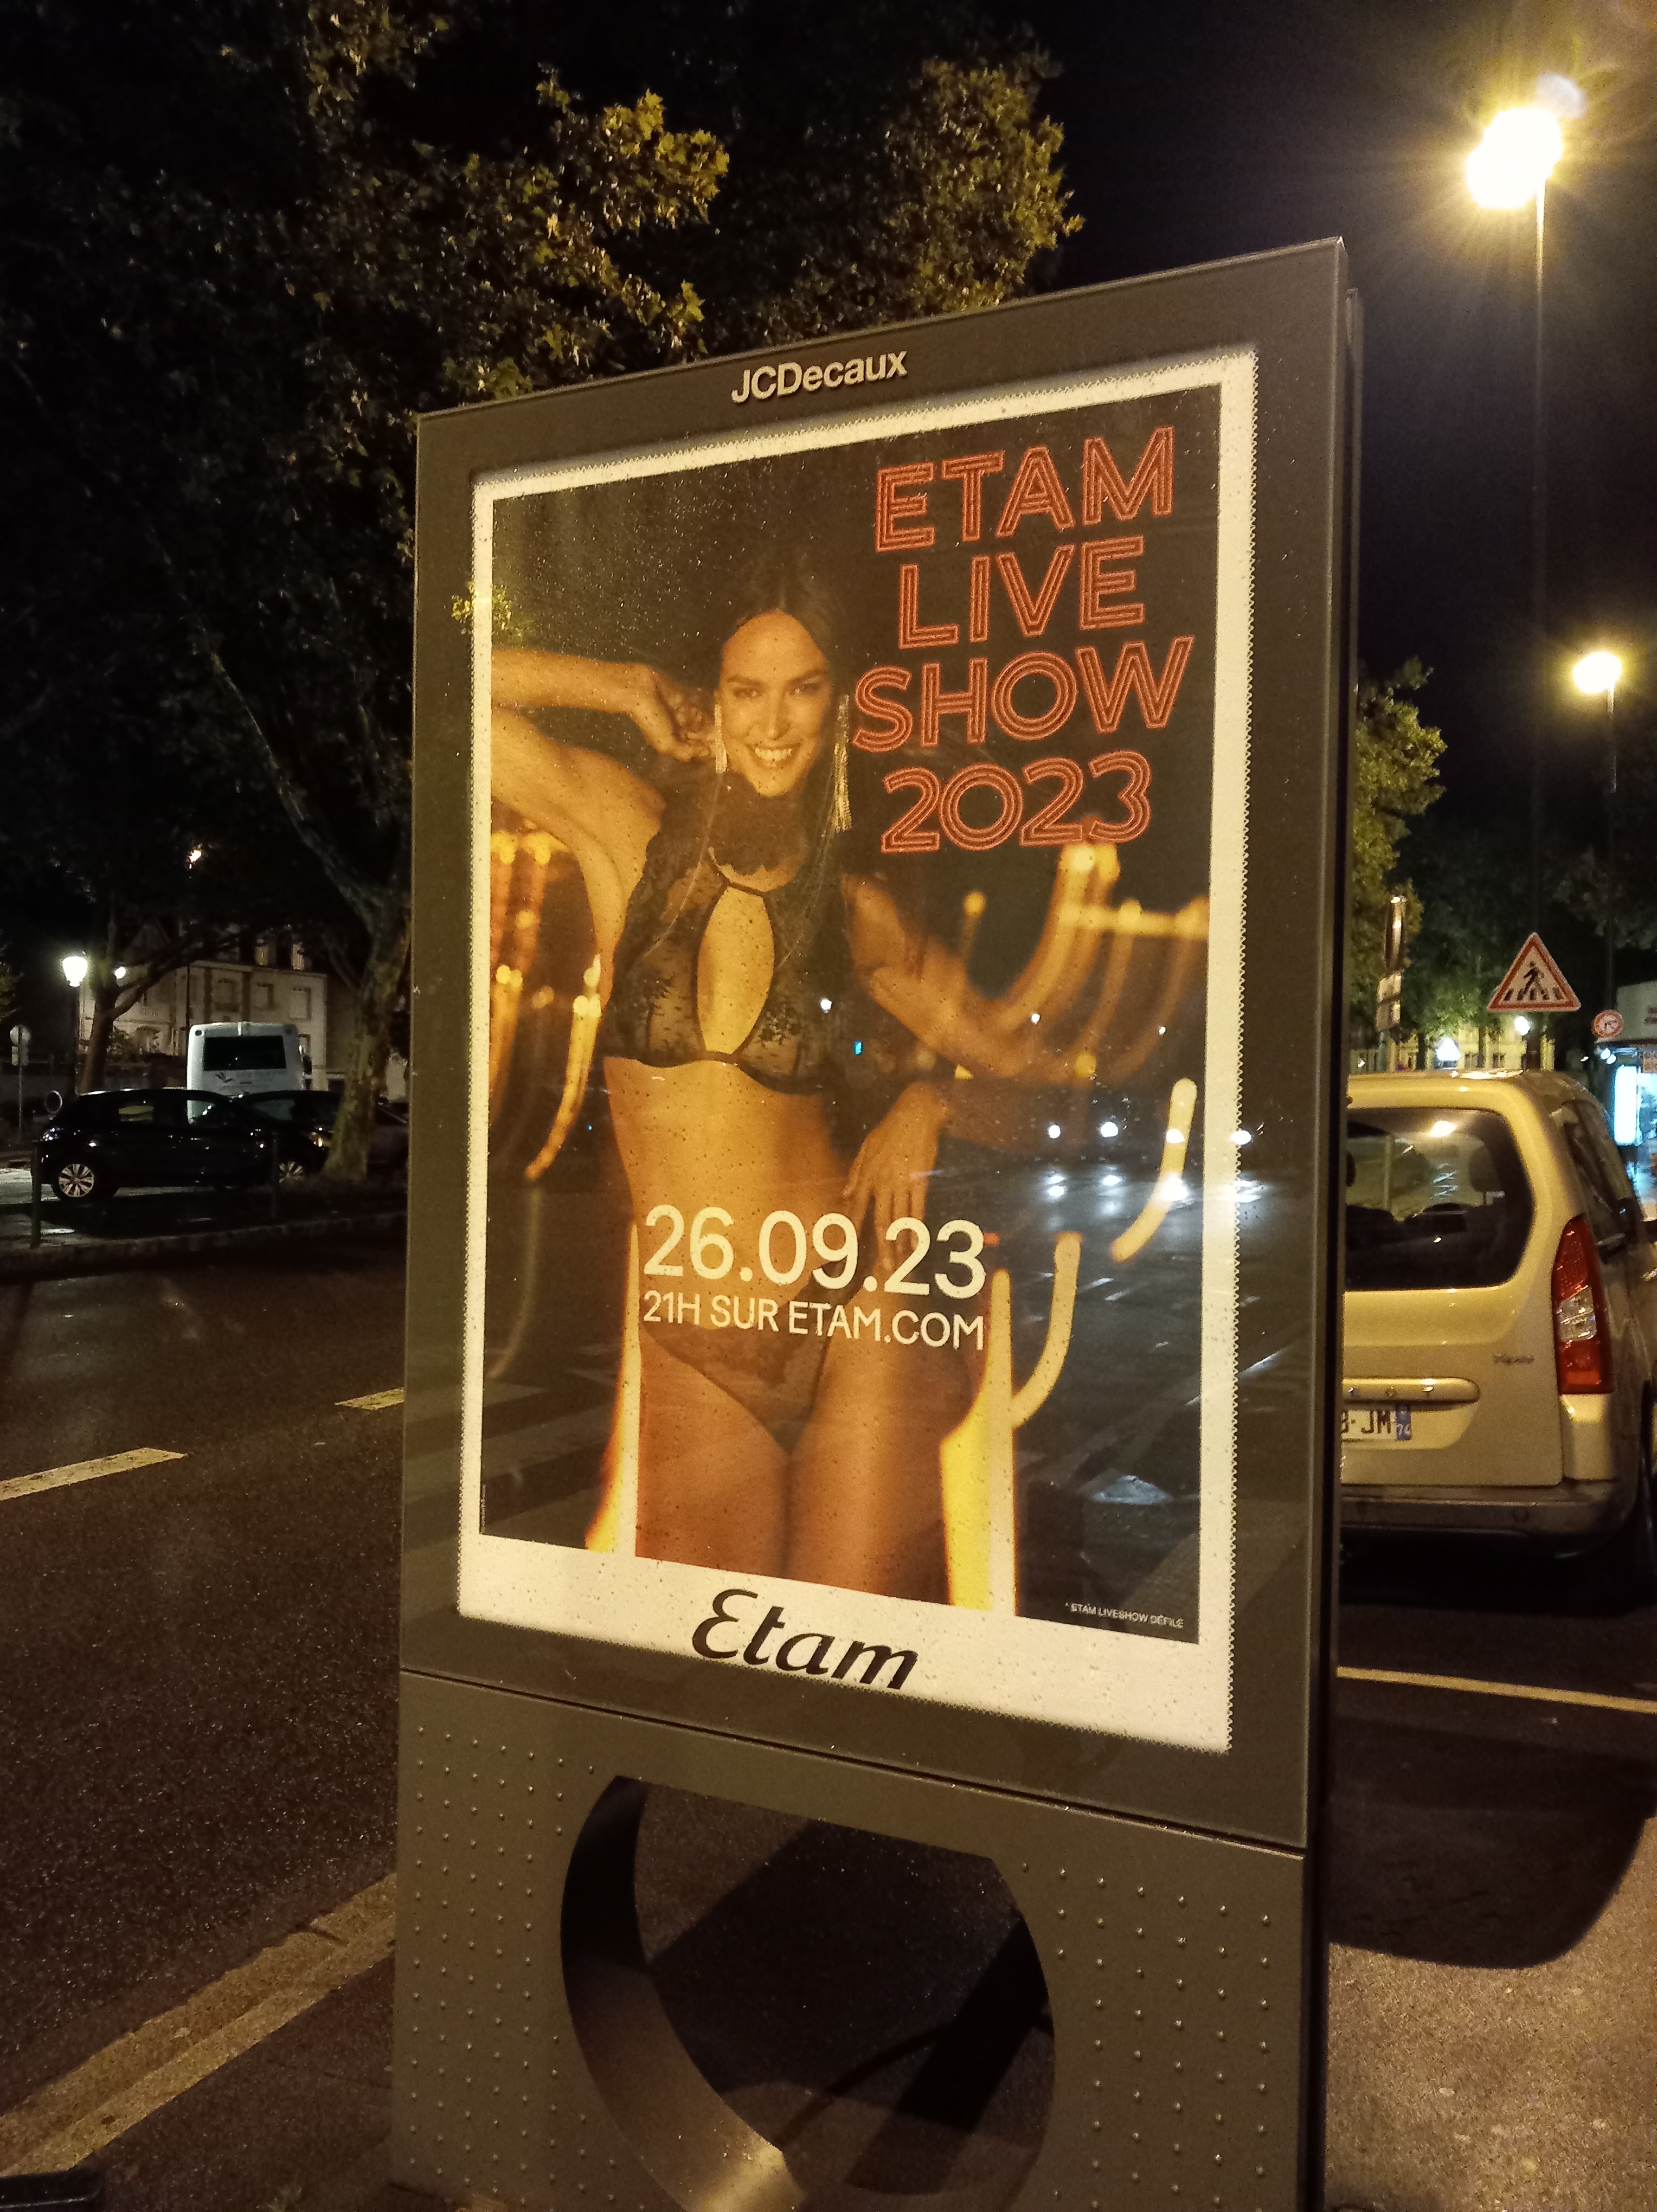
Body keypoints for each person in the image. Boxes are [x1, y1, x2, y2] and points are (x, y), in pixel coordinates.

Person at [490, 557, 1051, 1602]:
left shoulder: (856, 911)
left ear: (839, 707)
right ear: (714, 698)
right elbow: (454, 703)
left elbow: (1043, 1084)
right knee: (718, 1648)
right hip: (692, 1345)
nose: (774, 722)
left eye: (804, 688)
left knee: (849, 1655)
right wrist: (623, 687)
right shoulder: (626, 835)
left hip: (855, 1317)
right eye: (748, 690)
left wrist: (932, 1103)